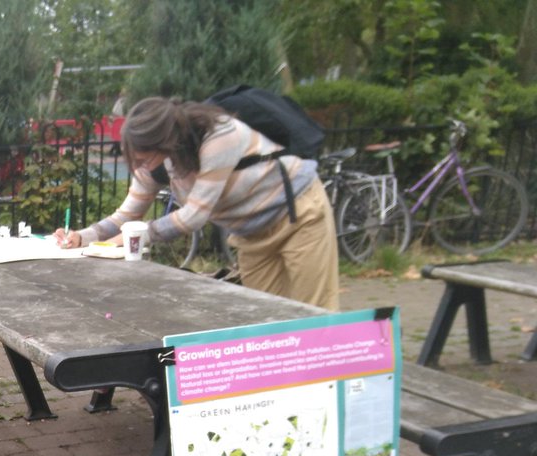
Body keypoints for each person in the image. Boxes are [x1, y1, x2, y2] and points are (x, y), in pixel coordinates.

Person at [55, 97, 339, 311]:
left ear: (166, 142)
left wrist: (140, 234)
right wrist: (84, 236)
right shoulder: (152, 163)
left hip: (298, 215)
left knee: (313, 315)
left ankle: (328, 382)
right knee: (268, 316)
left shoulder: (220, 136)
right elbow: (125, 214)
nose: (140, 167)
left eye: (144, 159)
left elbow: (194, 216)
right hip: (251, 234)